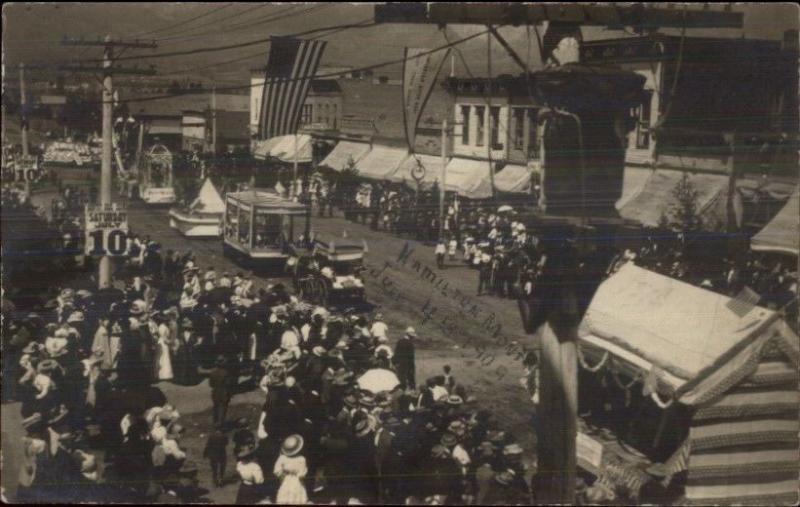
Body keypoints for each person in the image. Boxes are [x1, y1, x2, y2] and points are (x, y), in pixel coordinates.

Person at [274, 434, 309, 505]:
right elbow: (302, 474)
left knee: (285, 495)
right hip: (297, 481)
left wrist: (283, 475)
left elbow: (276, 470)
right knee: (297, 498)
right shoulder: (301, 459)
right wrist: (298, 474)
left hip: (286, 480)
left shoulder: (282, 458)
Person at [208, 355, 234, 427]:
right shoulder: (226, 373)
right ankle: (221, 424)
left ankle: (215, 423)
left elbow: (210, 384)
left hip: (215, 392)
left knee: (216, 407)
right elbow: (228, 384)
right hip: (224, 392)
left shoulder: (212, 372)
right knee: (223, 409)